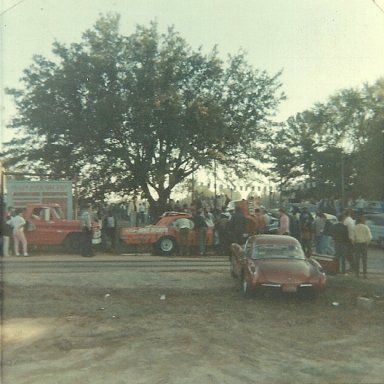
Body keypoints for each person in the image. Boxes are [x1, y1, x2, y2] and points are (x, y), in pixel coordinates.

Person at [343, 208, 356, 272]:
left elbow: (347, 230)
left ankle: (353, 268)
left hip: (348, 240)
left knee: (348, 255)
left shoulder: (347, 221)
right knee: (349, 255)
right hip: (351, 239)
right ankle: (353, 267)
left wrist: (351, 240)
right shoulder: (351, 220)